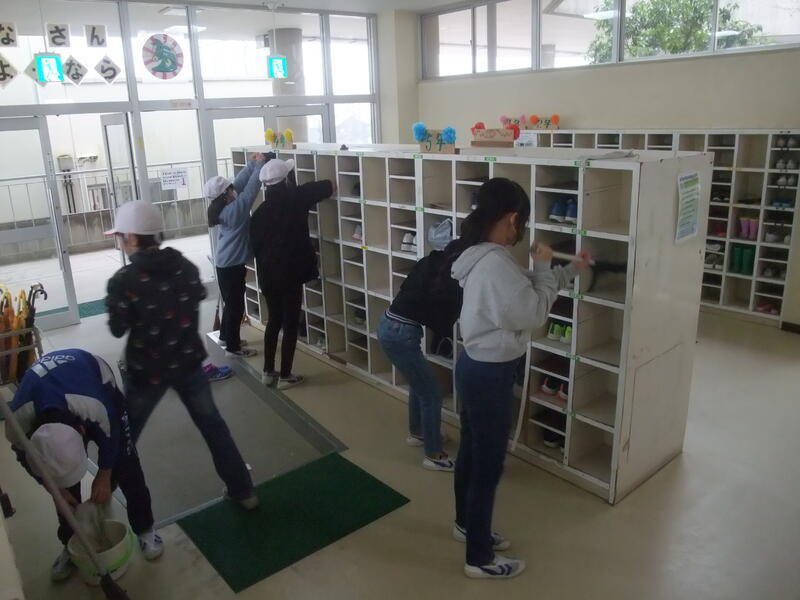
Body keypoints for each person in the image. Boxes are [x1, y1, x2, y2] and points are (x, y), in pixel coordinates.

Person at [449, 178, 590, 579]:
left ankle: (466, 525)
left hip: (473, 365)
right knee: (488, 465)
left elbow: (528, 287)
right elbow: (534, 311)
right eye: (522, 223)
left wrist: (569, 270)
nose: (522, 231)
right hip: (489, 373)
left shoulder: (481, 255)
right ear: (512, 219)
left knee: (472, 452)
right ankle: (479, 559)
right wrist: (545, 268)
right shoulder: (496, 265)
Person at [104, 200, 258, 510]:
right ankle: (244, 492)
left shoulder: (123, 281)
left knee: (126, 433)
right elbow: (198, 294)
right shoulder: (186, 267)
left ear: (131, 237)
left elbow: (118, 329)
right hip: (188, 364)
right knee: (213, 426)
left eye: (119, 236)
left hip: (146, 372)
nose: (119, 241)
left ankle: (103, 492)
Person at [5, 349, 162, 582]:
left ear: (81, 431)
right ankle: (72, 543)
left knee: (126, 461)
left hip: (93, 377)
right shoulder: (16, 424)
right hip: (51, 394)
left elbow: (113, 437)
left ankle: (145, 529)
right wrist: (55, 490)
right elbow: (25, 459)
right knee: (65, 499)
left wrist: (105, 474)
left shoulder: (95, 406)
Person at [377, 237, 470, 472]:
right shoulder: (451, 281)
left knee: (419, 386)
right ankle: (434, 455)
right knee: (432, 394)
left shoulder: (430, 262)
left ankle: (418, 433)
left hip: (389, 324)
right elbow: (445, 317)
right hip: (400, 333)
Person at [250, 158, 334, 389]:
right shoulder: (297, 198)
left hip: (268, 276)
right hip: (291, 275)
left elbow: (255, 247)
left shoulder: (258, 214)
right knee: (290, 324)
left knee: (274, 320)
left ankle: (268, 371)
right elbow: (329, 186)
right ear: (286, 180)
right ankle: (285, 375)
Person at [205, 152, 273, 358]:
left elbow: (240, 183)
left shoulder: (222, 206)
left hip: (225, 264)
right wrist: (260, 164)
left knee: (231, 305)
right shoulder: (234, 211)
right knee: (235, 306)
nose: (233, 189)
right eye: (229, 189)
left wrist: (252, 163)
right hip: (231, 266)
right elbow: (251, 189)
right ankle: (233, 348)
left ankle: (225, 337)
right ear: (225, 194)